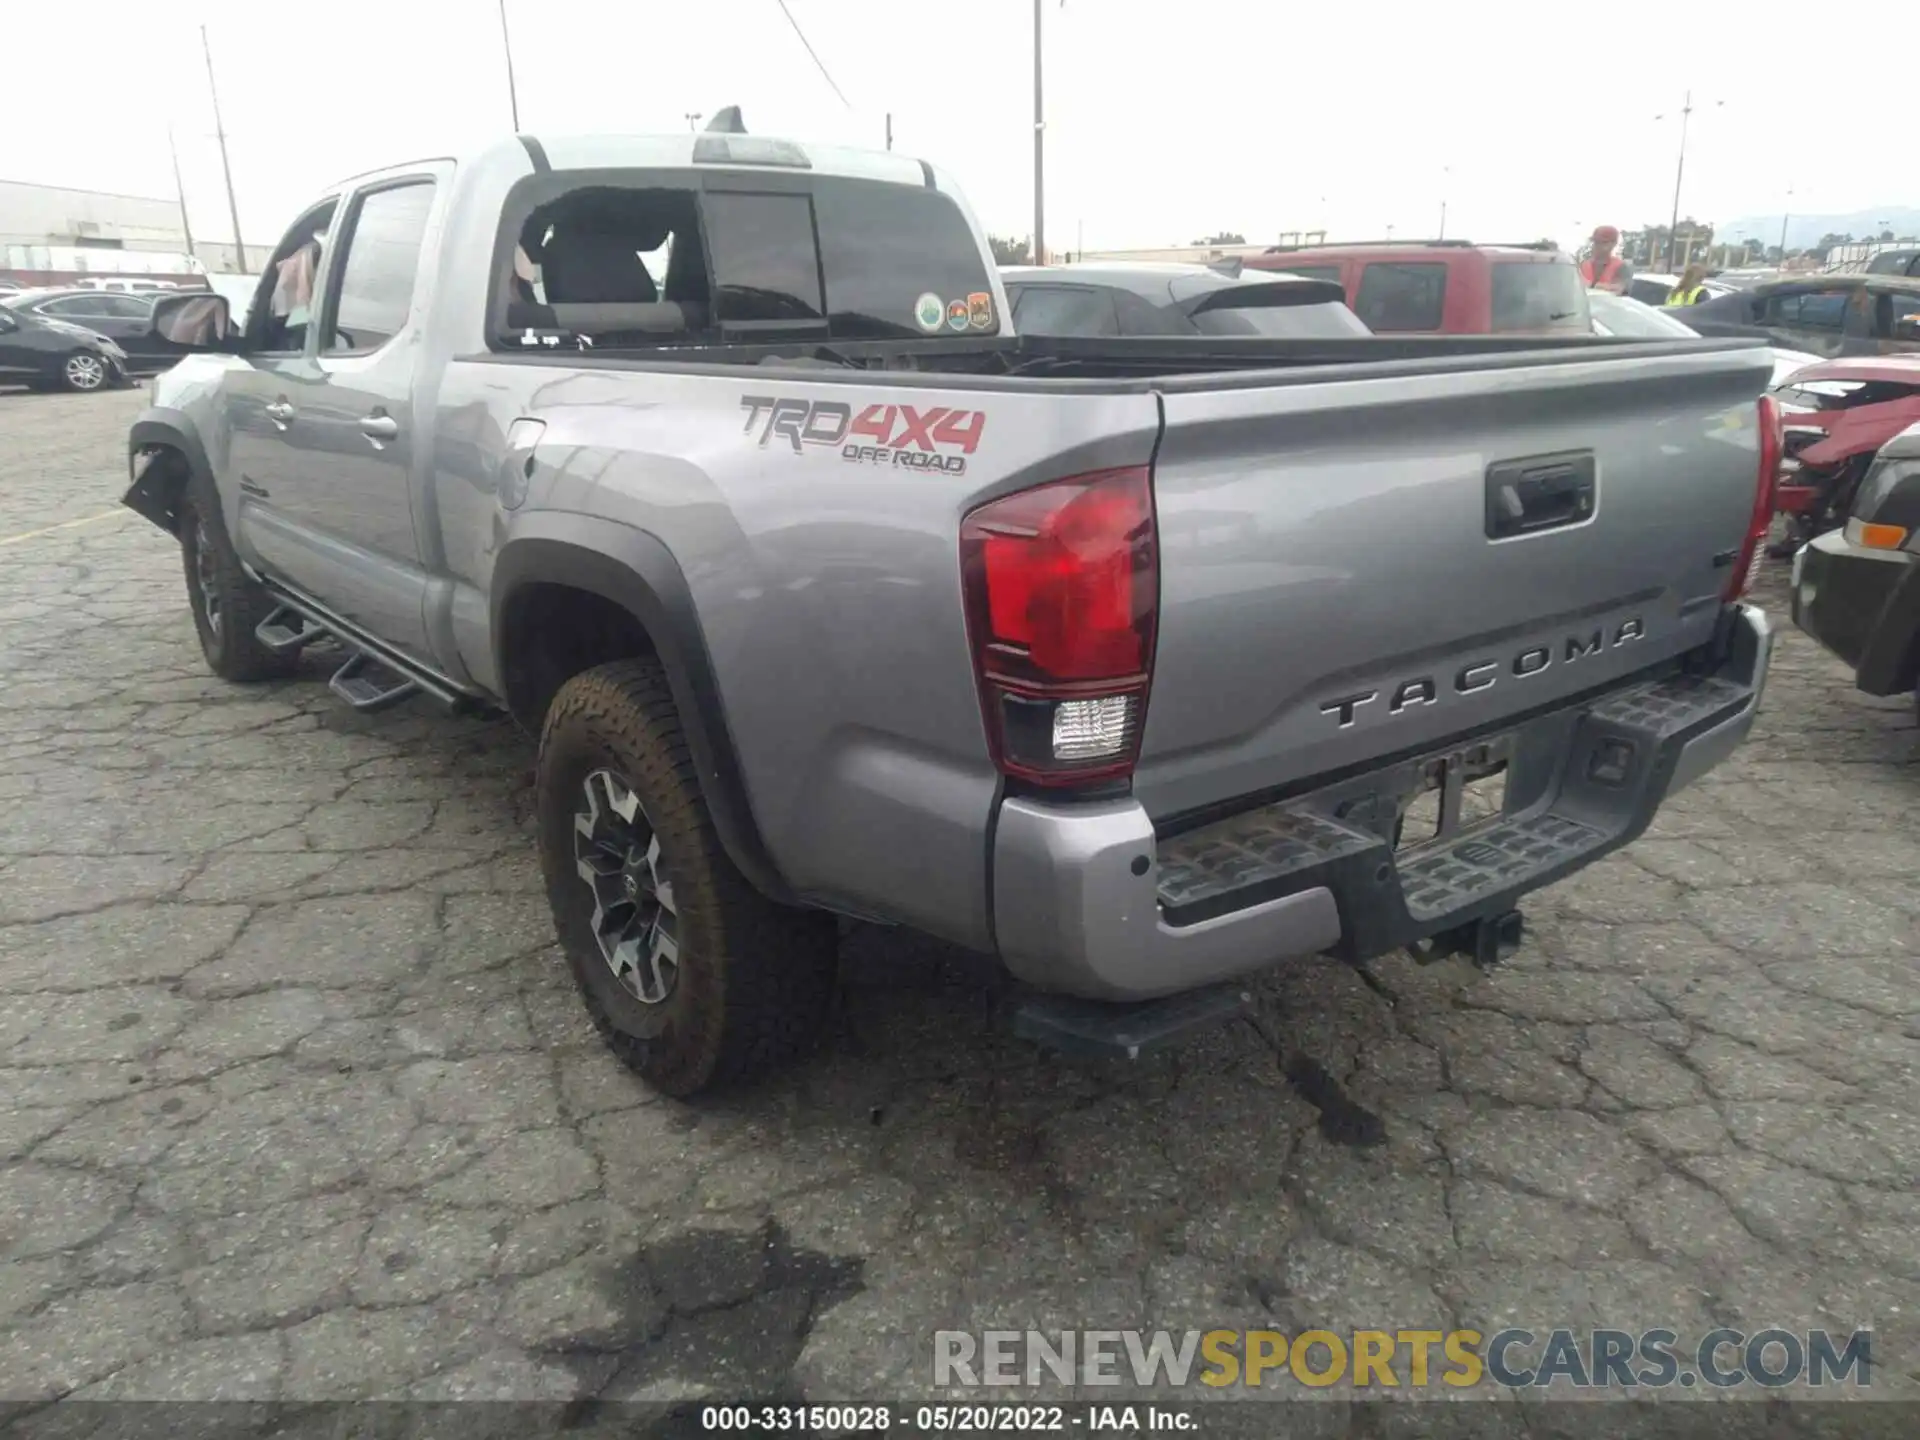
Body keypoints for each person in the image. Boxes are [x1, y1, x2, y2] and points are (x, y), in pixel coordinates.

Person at [1579, 226, 1632, 294]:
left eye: (1603, 242)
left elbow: (1619, 289)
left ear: (1614, 244)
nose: (1597, 245)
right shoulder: (1583, 265)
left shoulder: (1621, 267)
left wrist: (1591, 285)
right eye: (1596, 242)